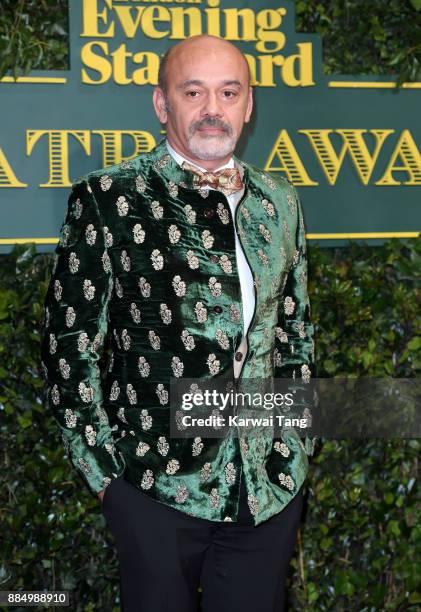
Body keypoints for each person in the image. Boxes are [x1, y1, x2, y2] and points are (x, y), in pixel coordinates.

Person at [41, 34, 316, 612]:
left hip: (264, 491)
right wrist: (109, 482)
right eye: (194, 91)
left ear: (248, 104)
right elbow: (70, 348)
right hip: (152, 488)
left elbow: (293, 336)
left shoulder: (280, 202)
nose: (212, 109)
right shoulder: (109, 198)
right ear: (162, 104)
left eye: (228, 92)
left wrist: (291, 454)